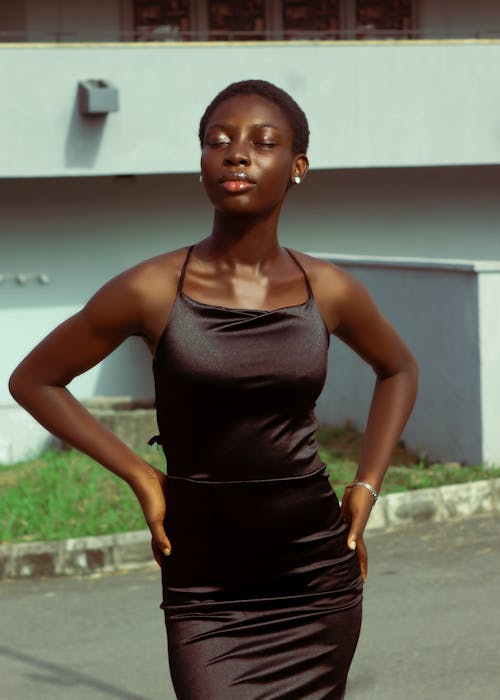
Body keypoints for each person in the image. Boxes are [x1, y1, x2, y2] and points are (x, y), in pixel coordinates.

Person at [9, 79, 418, 699]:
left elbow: (399, 370)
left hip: (313, 572)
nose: (236, 153)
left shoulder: (329, 289)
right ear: (201, 162)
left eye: (263, 141)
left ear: (297, 166)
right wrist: (142, 476)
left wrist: (366, 484)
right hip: (207, 586)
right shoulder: (150, 288)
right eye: (217, 140)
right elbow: (35, 380)